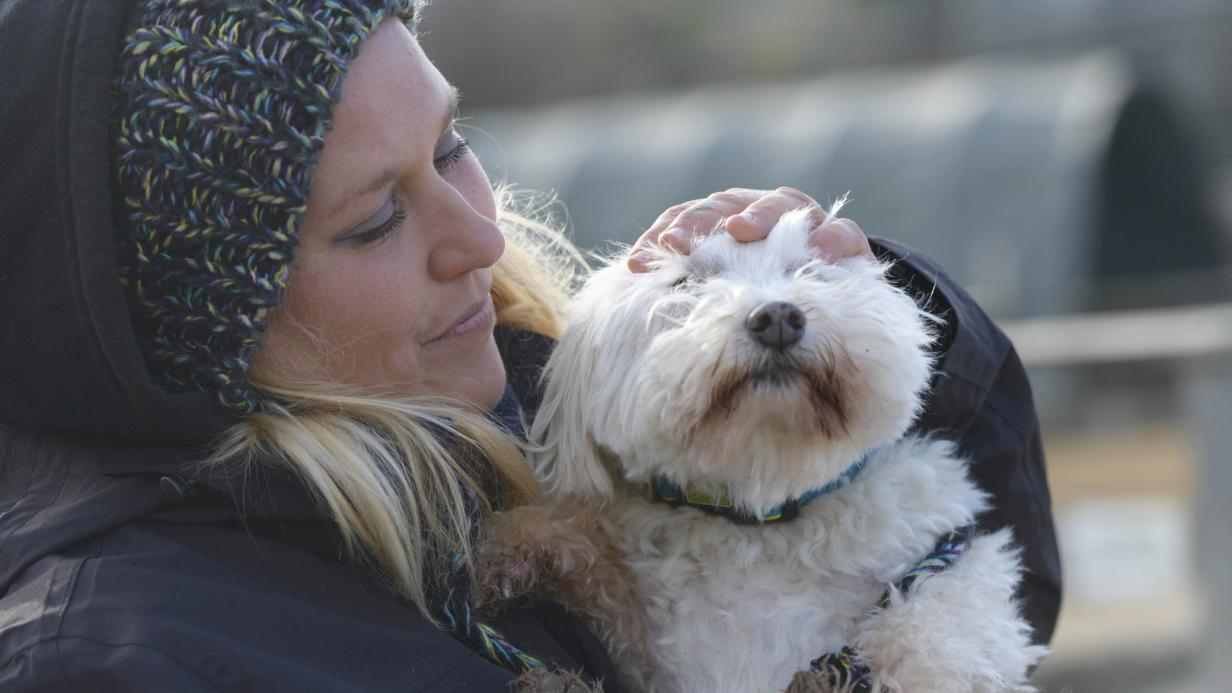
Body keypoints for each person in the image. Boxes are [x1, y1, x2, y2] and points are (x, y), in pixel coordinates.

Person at [0, 1, 1060, 690]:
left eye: (450, 146)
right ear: (204, 327)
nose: (481, 236)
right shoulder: (117, 656)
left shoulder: (515, 387)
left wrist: (887, 316)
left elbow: (993, 585)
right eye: (375, 218)